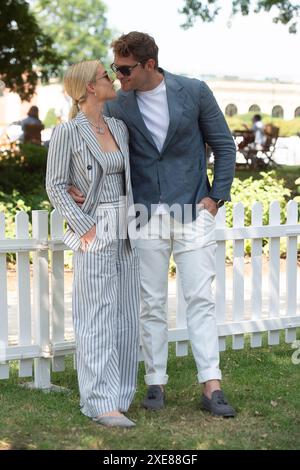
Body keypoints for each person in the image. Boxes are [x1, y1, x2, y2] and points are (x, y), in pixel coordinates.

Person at [69, 32, 236, 417]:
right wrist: (77, 183)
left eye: (124, 69)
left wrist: (215, 198)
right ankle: (155, 382)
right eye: (114, 69)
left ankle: (212, 385)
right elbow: (89, 137)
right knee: (151, 303)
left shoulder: (193, 92)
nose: (118, 75)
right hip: (143, 214)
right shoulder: (118, 103)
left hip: (193, 210)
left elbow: (224, 145)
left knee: (200, 299)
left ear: (149, 65)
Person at [46, 60, 140, 428]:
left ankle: (120, 395)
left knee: (125, 313)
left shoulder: (118, 126)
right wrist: (85, 225)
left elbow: (124, 177)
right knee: (96, 316)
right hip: (95, 228)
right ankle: (100, 402)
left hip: (125, 226)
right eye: (105, 75)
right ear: (89, 87)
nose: (112, 79)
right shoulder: (68, 132)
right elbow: (55, 184)